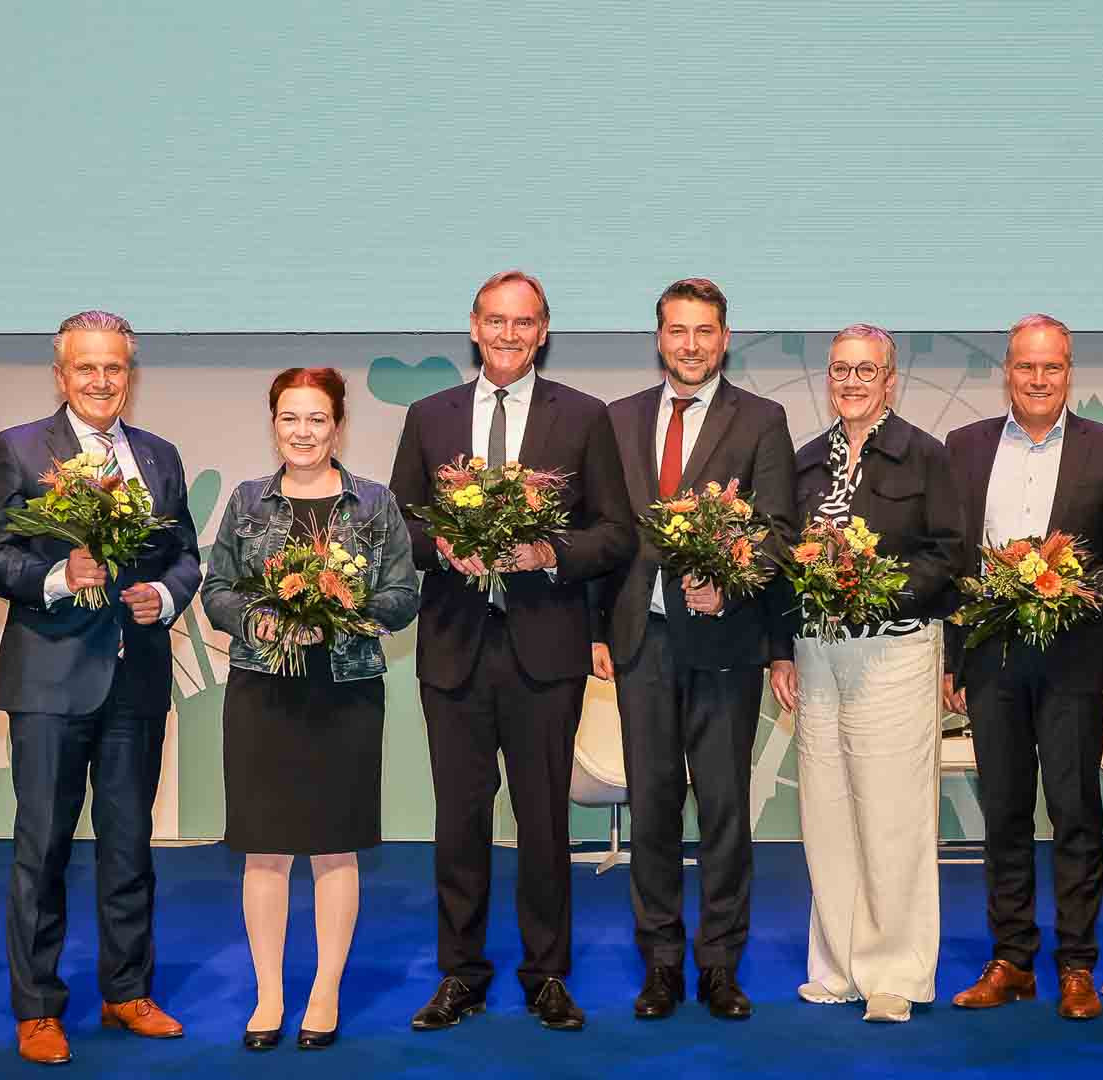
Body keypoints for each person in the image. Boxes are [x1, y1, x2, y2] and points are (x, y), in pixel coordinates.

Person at [388, 270, 635, 1032]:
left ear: (543, 330)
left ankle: (546, 974)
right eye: (495, 320)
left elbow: (615, 532)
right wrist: (447, 548)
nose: (508, 334)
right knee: (459, 824)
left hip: (545, 652)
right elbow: (401, 529)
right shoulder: (429, 416)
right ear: (472, 326)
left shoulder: (584, 417)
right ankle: (460, 974)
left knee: (544, 824)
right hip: (455, 651)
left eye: (523, 322)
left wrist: (545, 552)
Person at [0, 310, 203, 1065]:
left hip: (135, 679)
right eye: (86, 368)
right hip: (47, 680)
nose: (101, 381)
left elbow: (185, 557)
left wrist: (162, 599)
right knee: (41, 847)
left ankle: (126, 990)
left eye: (115, 369)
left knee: (130, 845)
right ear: (61, 374)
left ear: (130, 376)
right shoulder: (18, 450)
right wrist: (54, 576)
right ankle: (37, 1006)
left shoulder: (161, 457)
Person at [592, 278, 797, 1021]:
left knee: (723, 811)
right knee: (650, 809)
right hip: (641, 642)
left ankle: (719, 964)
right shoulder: (616, 421)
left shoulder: (762, 419)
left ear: (724, 338)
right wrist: (595, 631)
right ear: (658, 338)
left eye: (704, 331)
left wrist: (730, 582)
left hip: (725, 644)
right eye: (677, 330)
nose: (690, 344)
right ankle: (661, 963)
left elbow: (778, 529)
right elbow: (605, 535)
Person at [200, 367, 420, 1050]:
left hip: (345, 691)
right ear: (274, 424)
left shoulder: (374, 502)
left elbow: (403, 594)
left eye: (317, 419)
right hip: (263, 691)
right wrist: (256, 620)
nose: (303, 432)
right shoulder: (244, 502)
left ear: (339, 425)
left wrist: (347, 611)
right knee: (264, 850)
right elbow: (216, 591)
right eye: (290, 418)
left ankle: (324, 990)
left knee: (334, 845)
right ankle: (269, 994)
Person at [941, 315, 1103, 1021]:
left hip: (1072, 657)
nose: (1038, 380)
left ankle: (1077, 966)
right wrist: (953, 658)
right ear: (1007, 371)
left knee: (1074, 815)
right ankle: (1012, 960)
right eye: (1026, 368)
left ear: (1069, 372)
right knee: (1002, 815)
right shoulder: (964, 447)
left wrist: (1091, 593)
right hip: (992, 659)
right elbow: (953, 561)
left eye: (1052, 368)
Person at [768, 324, 966, 1023]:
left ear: (891, 380)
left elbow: (949, 555)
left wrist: (873, 586)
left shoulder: (927, 457)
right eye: (839, 371)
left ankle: (894, 974)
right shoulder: (801, 464)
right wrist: (780, 649)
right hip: (817, 654)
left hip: (894, 649)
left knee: (891, 815)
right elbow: (778, 561)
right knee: (826, 812)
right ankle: (840, 966)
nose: (851, 382)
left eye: (866, 371)